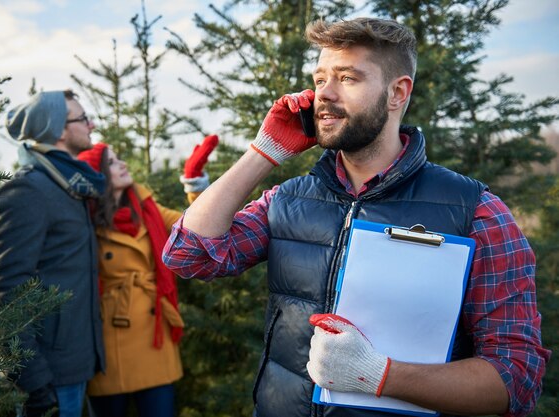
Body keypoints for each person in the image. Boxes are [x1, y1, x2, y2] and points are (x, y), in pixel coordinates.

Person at [162, 18, 551, 417]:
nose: (323, 95)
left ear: (397, 92)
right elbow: (189, 254)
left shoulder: (476, 211)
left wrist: (381, 376)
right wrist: (265, 151)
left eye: (347, 78)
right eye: (320, 78)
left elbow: (515, 379)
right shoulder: (289, 198)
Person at [0, 90, 105, 417]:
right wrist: (34, 381)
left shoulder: (70, 186)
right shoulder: (28, 190)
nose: (91, 124)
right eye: (82, 118)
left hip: (73, 368)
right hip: (48, 377)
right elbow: (3, 291)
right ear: (60, 130)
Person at [77, 135, 218, 417]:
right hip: (106, 339)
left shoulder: (146, 207)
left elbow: (194, 227)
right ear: (98, 175)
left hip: (153, 335)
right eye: (113, 162)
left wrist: (194, 184)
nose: (122, 164)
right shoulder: (82, 217)